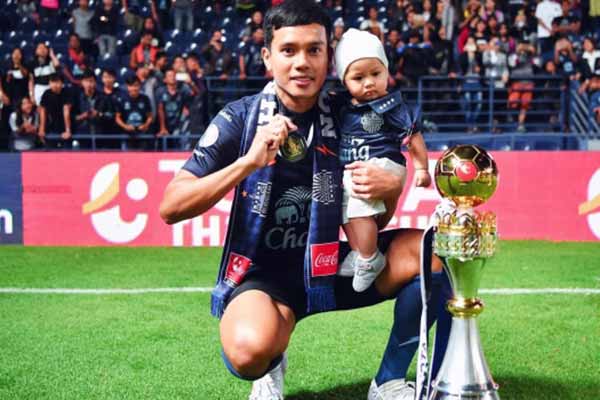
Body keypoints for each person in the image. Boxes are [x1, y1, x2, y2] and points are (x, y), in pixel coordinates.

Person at [159, 2, 451, 400]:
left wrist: (391, 186)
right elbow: (171, 207)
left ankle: (388, 382)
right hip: (264, 274)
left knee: (433, 256)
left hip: (332, 262)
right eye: (288, 50)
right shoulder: (240, 118)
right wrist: (248, 162)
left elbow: (374, 223)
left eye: (314, 50)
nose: (302, 62)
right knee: (248, 352)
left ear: (329, 57)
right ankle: (271, 359)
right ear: (268, 57)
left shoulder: (353, 113)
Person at [333, 28, 432, 292]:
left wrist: (421, 168)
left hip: (384, 163)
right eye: (358, 77)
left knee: (357, 197)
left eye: (376, 74)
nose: (369, 83)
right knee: (342, 205)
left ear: (387, 71)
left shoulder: (393, 106)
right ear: (344, 80)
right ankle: (360, 251)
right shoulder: (342, 107)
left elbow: (413, 138)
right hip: (354, 167)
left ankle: (369, 258)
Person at [115, 75, 153, 149]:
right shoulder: (122, 99)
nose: (134, 88)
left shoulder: (145, 99)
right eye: (131, 86)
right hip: (127, 134)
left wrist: (145, 125)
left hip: (142, 134)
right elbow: (117, 118)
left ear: (140, 86)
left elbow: (150, 116)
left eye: (136, 85)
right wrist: (125, 126)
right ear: (127, 87)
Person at [38, 73, 73, 148]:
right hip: (51, 126)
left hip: (65, 124)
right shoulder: (46, 93)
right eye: (52, 82)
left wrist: (67, 130)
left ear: (62, 83)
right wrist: (42, 128)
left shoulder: (67, 93)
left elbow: (66, 111)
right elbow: (43, 110)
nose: (55, 85)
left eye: (57, 82)